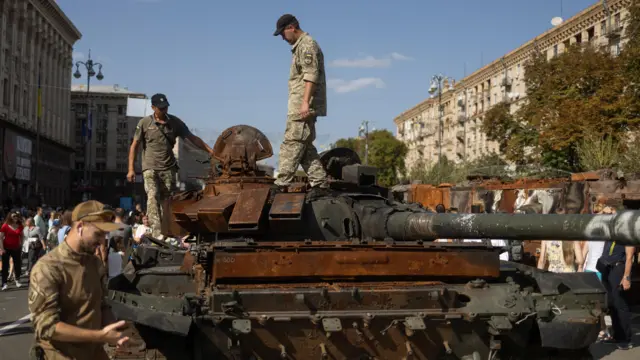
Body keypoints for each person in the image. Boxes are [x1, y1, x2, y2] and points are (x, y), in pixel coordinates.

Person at [28, 200, 130, 359]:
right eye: (98, 234)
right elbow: (47, 327)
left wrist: (114, 331)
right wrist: (100, 336)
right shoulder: (48, 268)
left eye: (105, 235)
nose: (102, 241)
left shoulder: (94, 263)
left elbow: (102, 304)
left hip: (94, 353)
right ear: (80, 227)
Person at [127, 93, 214, 239]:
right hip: (150, 168)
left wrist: (211, 152)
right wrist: (131, 169)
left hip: (168, 168)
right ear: (153, 108)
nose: (164, 110)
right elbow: (134, 146)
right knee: (152, 196)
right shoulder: (144, 123)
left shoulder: (175, 123)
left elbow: (192, 138)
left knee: (166, 202)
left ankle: (165, 231)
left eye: (166, 107)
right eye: (161, 108)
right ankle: (156, 234)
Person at [272, 14, 329, 191]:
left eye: (282, 33)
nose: (282, 37)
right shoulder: (300, 47)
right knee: (305, 148)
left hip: (302, 105)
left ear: (291, 27)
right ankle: (320, 183)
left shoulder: (307, 44)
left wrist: (305, 102)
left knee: (293, 141)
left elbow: (311, 75)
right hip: (299, 104)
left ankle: (281, 183)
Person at [596, 206, 635, 350]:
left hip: (618, 268)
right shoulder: (611, 231)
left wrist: (626, 277)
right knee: (611, 304)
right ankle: (617, 335)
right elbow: (595, 221)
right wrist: (604, 211)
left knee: (620, 304)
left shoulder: (627, 233)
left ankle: (625, 339)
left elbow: (629, 257)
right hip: (607, 268)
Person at [0, 211, 24, 290]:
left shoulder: (20, 226)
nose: (15, 218)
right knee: (5, 266)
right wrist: (2, 248)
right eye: (13, 216)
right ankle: (4, 283)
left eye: (16, 216)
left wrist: (21, 244)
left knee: (17, 265)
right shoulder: (5, 225)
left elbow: (22, 235)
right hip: (6, 248)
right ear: (10, 217)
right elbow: (0, 237)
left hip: (16, 248)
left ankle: (17, 280)